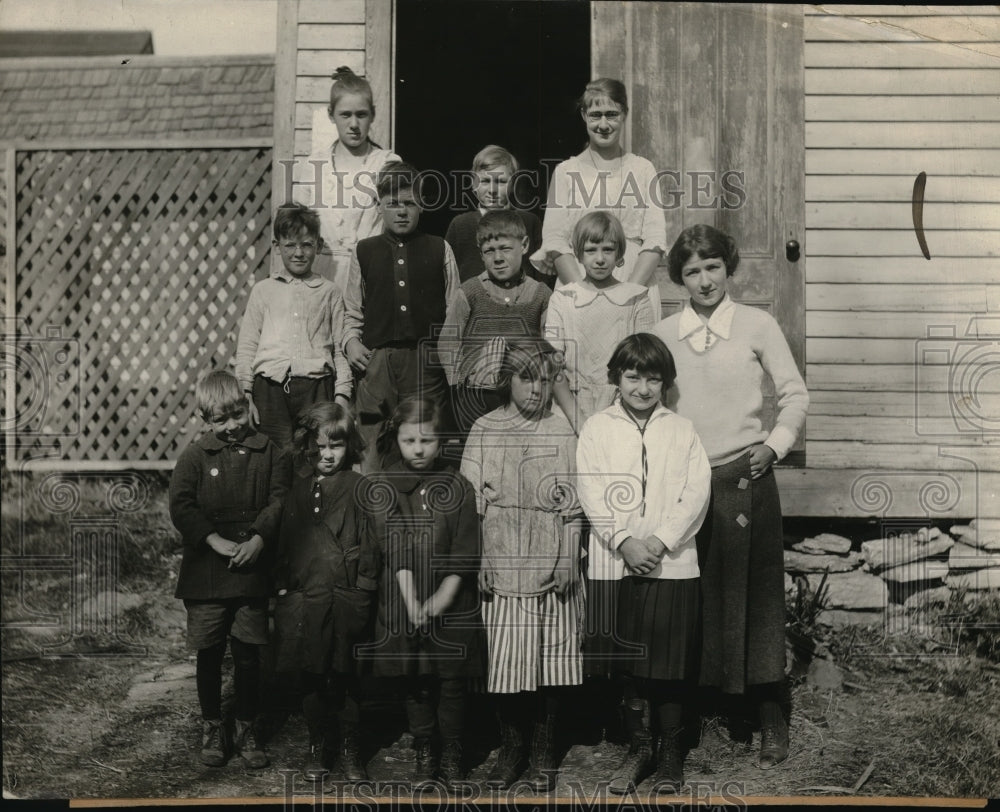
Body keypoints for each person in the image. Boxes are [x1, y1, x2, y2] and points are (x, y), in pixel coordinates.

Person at [653, 224, 809, 769]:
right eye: (691, 271)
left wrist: (776, 445)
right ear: (679, 277)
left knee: (758, 598)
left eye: (713, 266)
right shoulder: (665, 332)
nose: (704, 280)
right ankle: (689, 716)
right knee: (691, 598)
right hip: (686, 484)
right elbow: (642, 400)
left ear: (729, 267)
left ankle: (770, 718)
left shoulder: (757, 324)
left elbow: (793, 394)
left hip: (747, 476)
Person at [576, 333, 711, 794]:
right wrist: (625, 541)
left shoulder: (682, 429)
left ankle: (670, 751)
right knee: (628, 661)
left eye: (654, 379)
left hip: (670, 562)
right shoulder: (597, 428)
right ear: (617, 377)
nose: (642, 388)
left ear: (666, 383)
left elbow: (696, 493)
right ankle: (639, 748)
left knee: (668, 661)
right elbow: (591, 490)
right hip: (616, 562)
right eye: (633, 377)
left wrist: (659, 540)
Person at [460, 339, 584, 792]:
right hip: (501, 554)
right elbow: (470, 506)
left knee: (549, 662)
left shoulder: (563, 431)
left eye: (546, 379)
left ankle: (544, 749)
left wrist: (570, 555)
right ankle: (511, 746)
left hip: (550, 557)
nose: (537, 389)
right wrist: (480, 560)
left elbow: (574, 507)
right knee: (507, 662)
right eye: (526, 378)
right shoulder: (484, 429)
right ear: (506, 381)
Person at [358, 397, 483, 791]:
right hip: (405, 598)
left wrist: (441, 600)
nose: (418, 449)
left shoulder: (458, 487)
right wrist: (414, 604)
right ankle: (425, 749)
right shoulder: (386, 487)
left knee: (451, 682)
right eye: (410, 440)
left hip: (451, 601)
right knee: (415, 680)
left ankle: (452, 753)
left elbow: (465, 551)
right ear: (396, 439)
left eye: (427, 441)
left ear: (440, 441)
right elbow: (394, 549)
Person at [169, 369, 290, 769]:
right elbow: (182, 505)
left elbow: (278, 500)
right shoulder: (194, 457)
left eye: (237, 415)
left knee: (248, 655)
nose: (233, 427)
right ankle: (211, 725)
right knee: (209, 653)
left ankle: (245, 725)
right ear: (205, 420)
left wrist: (258, 538)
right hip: (207, 575)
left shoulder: (268, 451)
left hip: (251, 572)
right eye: (220, 421)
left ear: (247, 406)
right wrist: (212, 540)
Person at [274, 401, 377, 782]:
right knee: (312, 675)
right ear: (305, 448)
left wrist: (363, 589)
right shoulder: (297, 493)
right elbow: (285, 547)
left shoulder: (358, 486)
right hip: (308, 599)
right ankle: (318, 743)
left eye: (335, 446)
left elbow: (370, 544)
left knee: (346, 676)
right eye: (318, 447)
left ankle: (351, 749)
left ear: (348, 446)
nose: (327, 455)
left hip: (347, 595)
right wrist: (285, 591)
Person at [342, 162, 460, 471]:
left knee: (423, 441)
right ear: (378, 206)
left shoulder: (439, 248)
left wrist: (441, 357)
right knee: (370, 443)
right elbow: (352, 311)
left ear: (421, 206)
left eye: (409, 202)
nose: (402, 210)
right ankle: (372, 513)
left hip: (425, 363)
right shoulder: (363, 251)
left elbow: (454, 313)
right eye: (393, 203)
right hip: (376, 363)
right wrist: (351, 343)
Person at [531, 78, 666, 320]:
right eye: (595, 115)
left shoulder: (643, 169)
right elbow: (555, 240)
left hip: (634, 282)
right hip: (580, 285)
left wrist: (628, 292)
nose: (603, 124)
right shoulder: (566, 172)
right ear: (584, 115)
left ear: (624, 113)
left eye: (611, 114)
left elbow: (655, 238)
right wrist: (585, 293)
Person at [440, 209, 577, 438]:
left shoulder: (540, 294)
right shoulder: (469, 292)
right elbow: (448, 343)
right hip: (477, 395)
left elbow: (549, 346)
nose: (498, 258)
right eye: (489, 251)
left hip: (524, 396)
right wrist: (461, 382)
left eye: (505, 248)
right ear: (480, 254)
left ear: (524, 245)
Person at [235, 202, 352, 451]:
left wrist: (341, 394)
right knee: (274, 459)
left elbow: (340, 350)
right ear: (277, 246)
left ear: (318, 246)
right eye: (290, 245)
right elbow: (247, 346)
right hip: (269, 391)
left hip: (316, 388)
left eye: (307, 245)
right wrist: (246, 392)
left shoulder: (329, 292)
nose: (298, 253)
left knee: (310, 459)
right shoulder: (263, 291)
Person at [544, 211, 654, 425]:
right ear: (579, 254)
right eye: (591, 250)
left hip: (623, 410)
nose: (600, 259)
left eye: (608, 250)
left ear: (620, 253)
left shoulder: (635, 298)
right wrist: (579, 423)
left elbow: (645, 364)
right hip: (570, 410)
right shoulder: (564, 298)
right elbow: (552, 365)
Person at [308, 66, 401, 293]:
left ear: (373, 115)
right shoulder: (313, 166)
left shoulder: (387, 163)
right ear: (331, 115)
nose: (353, 124)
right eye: (345, 114)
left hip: (373, 276)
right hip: (322, 277)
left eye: (361, 115)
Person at [444, 144, 546, 285]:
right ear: (474, 184)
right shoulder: (460, 225)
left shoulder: (529, 221)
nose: (492, 190)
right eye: (485, 181)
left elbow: (542, 276)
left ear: (513, 184)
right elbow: (448, 277)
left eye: (501, 181)